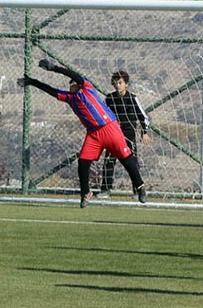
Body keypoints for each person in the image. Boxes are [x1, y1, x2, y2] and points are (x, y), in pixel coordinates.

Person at [18, 60, 146, 208]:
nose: (70, 85)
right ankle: (86, 193)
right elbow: (51, 90)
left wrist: (54, 68)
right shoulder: (69, 98)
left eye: (72, 83)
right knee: (83, 162)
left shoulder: (87, 88)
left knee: (126, 158)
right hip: (94, 135)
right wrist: (32, 82)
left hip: (109, 128)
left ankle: (140, 186)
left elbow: (74, 75)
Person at [96, 70, 150, 199]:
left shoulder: (132, 98)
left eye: (120, 82)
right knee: (108, 161)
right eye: (115, 83)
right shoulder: (109, 98)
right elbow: (103, 116)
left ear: (126, 84)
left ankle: (137, 191)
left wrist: (144, 132)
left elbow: (142, 116)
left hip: (128, 135)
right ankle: (105, 189)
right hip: (113, 135)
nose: (117, 85)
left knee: (132, 163)